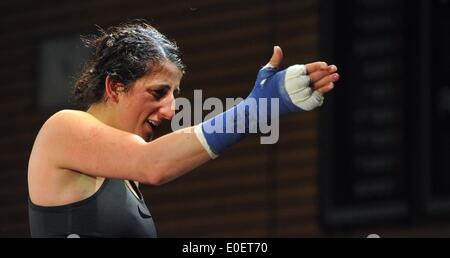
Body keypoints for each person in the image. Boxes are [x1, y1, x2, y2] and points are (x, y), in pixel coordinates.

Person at [27, 20, 339, 238]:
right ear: (114, 87)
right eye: (158, 92)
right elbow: (153, 164)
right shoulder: (63, 128)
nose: (171, 108)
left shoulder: (123, 180)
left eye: (174, 94)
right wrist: (257, 109)